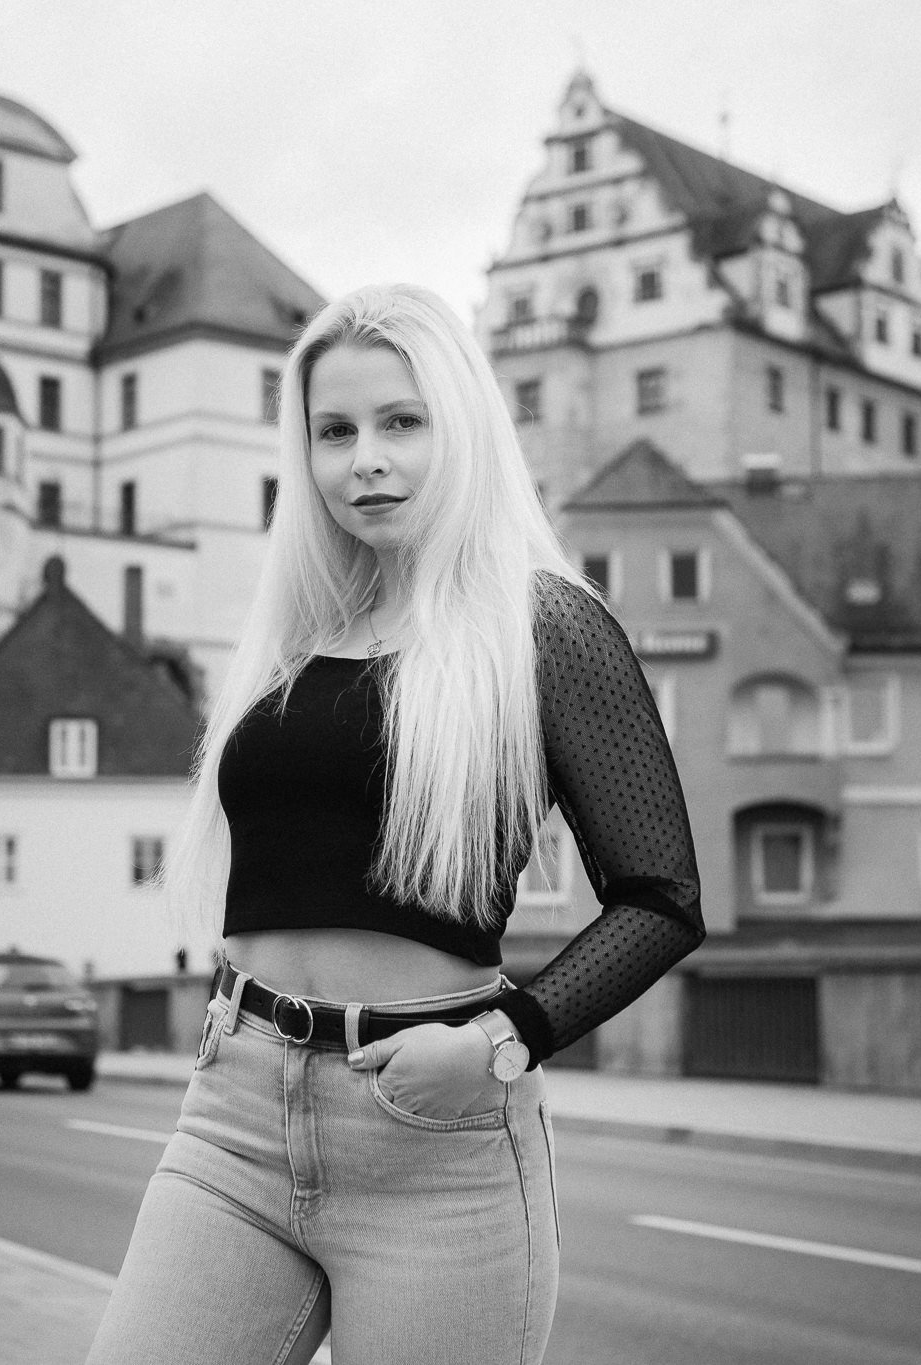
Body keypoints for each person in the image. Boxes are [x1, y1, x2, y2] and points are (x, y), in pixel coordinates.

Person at [86, 284, 701, 1365]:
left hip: (433, 1132)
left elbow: (660, 896)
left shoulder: (543, 625)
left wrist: (502, 1044)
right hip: (233, 1109)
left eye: (398, 423)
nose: (362, 459)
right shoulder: (299, 630)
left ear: (458, 428)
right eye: (333, 431)